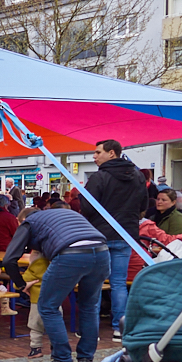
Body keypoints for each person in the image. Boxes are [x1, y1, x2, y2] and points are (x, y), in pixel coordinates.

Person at [2, 207, 110, 362]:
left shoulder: (29, 223)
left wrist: (21, 285)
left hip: (70, 254)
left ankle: (63, 360)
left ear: (21, 220)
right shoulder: (67, 213)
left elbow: (9, 259)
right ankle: (85, 359)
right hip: (102, 252)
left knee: (47, 306)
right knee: (89, 307)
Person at [80, 138, 148, 342]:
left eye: (97, 152)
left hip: (100, 235)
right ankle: (120, 326)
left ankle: (92, 330)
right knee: (118, 282)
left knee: (96, 282)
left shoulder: (99, 177)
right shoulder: (137, 176)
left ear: (112, 153)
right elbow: (144, 204)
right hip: (125, 234)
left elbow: (87, 206)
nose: (94, 156)